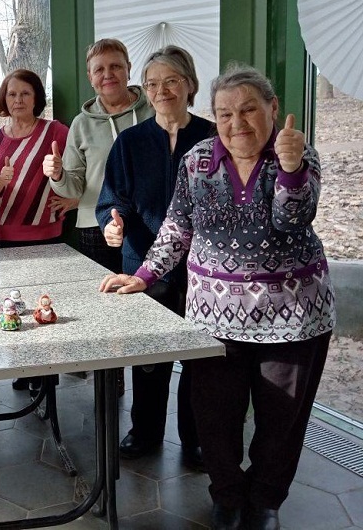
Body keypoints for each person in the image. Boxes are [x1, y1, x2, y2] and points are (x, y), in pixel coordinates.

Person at [99, 64, 335, 530]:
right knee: (215, 417)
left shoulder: (297, 154)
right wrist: (144, 275)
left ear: (272, 108)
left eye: (249, 109)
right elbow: (178, 225)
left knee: (280, 420)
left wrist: (290, 170)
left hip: (293, 317)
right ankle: (227, 495)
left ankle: (265, 501)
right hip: (215, 317)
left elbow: (295, 218)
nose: (236, 122)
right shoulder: (198, 160)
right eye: (224, 113)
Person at [96, 45, 214, 468]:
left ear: (189, 85)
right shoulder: (129, 142)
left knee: (199, 358)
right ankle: (144, 430)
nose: (161, 90)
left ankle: (196, 438)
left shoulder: (213, 139)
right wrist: (113, 225)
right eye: (152, 84)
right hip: (141, 265)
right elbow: (112, 201)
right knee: (148, 357)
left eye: (171, 81)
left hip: (203, 272)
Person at [0, 68, 72, 393]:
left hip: (48, 233)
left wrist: (74, 200)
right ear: (3, 99)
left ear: (36, 97)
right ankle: (26, 366)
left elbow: (78, 171)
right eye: (11, 94)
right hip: (7, 234)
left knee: (46, 304)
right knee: (15, 305)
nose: (18, 99)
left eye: (25, 93)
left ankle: (47, 372)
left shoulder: (56, 131)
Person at [44, 38, 154, 272]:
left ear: (128, 69)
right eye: (99, 69)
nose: (108, 74)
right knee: (107, 302)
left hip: (150, 221)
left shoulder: (154, 110)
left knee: (152, 299)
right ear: (90, 77)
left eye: (115, 66)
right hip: (97, 228)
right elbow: (72, 188)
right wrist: (58, 175)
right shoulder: (81, 124)